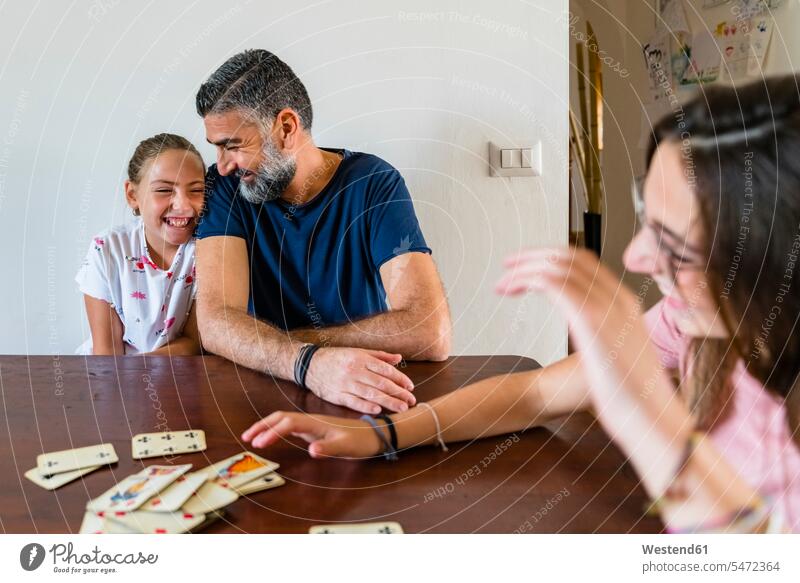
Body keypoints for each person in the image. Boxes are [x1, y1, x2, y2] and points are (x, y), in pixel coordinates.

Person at [241, 75, 800, 533]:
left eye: (674, 244)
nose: (635, 254)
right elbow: (535, 392)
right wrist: (384, 434)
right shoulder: (694, 321)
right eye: (645, 216)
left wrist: (633, 399)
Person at [194, 50, 451, 414]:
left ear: (286, 128)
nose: (222, 166)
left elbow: (430, 331)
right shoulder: (225, 188)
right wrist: (308, 364)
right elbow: (216, 321)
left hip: (362, 390)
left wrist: (299, 349)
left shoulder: (374, 183)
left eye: (233, 146)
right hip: (260, 391)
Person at [76, 133, 205, 355]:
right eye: (164, 190)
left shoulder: (208, 250)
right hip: (115, 377)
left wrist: (144, 375)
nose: (183, 206)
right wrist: (137, 380)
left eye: (196, 190)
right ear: (133, 195)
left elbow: (195, 342)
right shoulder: (108, 249)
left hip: (177, 377)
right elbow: (107, 353)